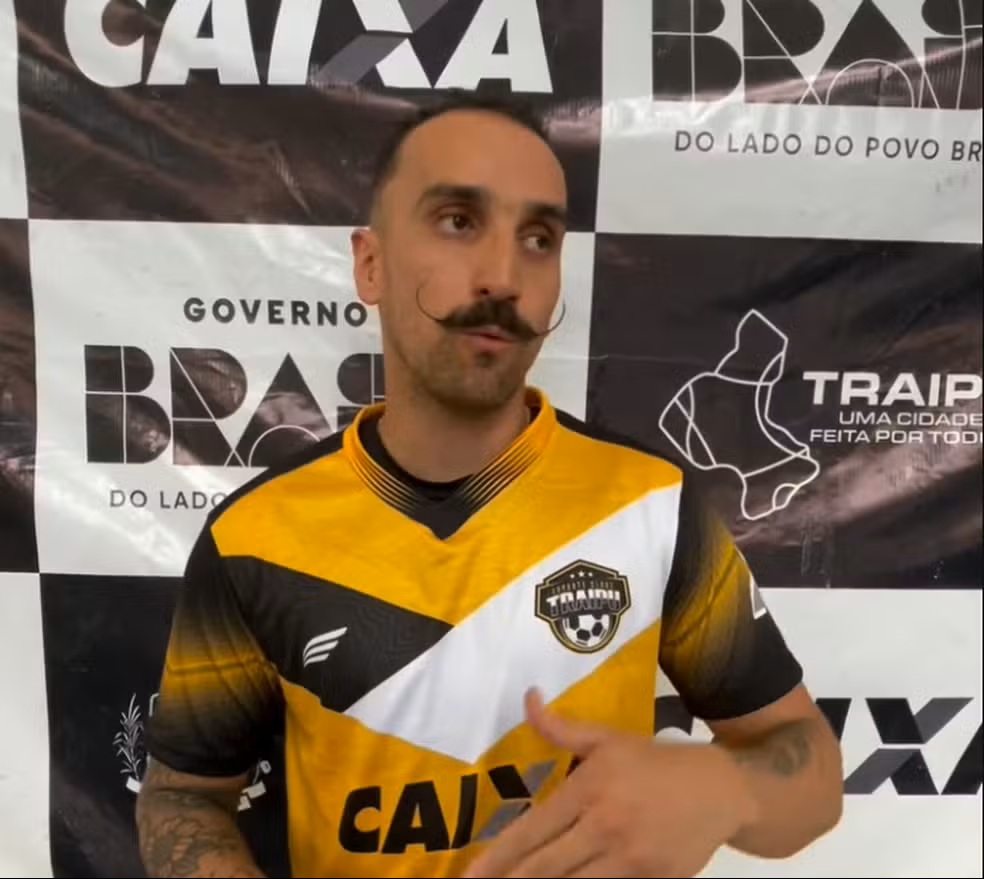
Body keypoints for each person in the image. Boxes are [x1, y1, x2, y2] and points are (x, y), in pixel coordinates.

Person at [135, 91, 844, 879]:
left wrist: (724, 787)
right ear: (370, 263)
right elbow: (183, 795)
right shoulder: (256, 535)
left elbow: (813, 775)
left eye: (538, 239)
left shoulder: (652, 503)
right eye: (458, 221)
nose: (504, 276)